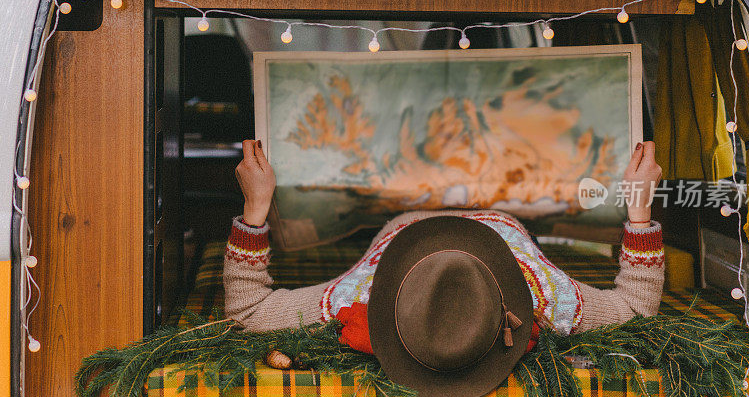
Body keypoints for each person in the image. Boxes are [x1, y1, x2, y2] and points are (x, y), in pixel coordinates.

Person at [224, 139, 665, 346]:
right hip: (472, 226)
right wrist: (639, 208)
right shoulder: (543, 294)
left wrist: (256, 208)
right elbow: (635, 310)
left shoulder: (360, 295)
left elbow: (247, 311)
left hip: (420, 227)